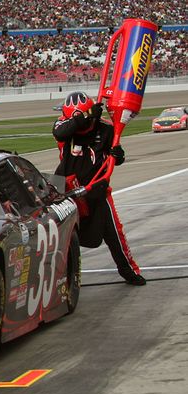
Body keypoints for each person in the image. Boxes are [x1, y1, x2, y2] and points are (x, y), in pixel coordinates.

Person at [53, 91, 145, 286]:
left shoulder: (106, 128)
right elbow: (60, 133)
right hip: (66, 189)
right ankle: (60, 279)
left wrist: (118, 155)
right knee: (63, 235)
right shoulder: (62, 124)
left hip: (96, 188)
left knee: (114, 232)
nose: (73, 122)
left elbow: (116, 160)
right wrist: (82, 118)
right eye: (70, 117)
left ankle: (129, 271)